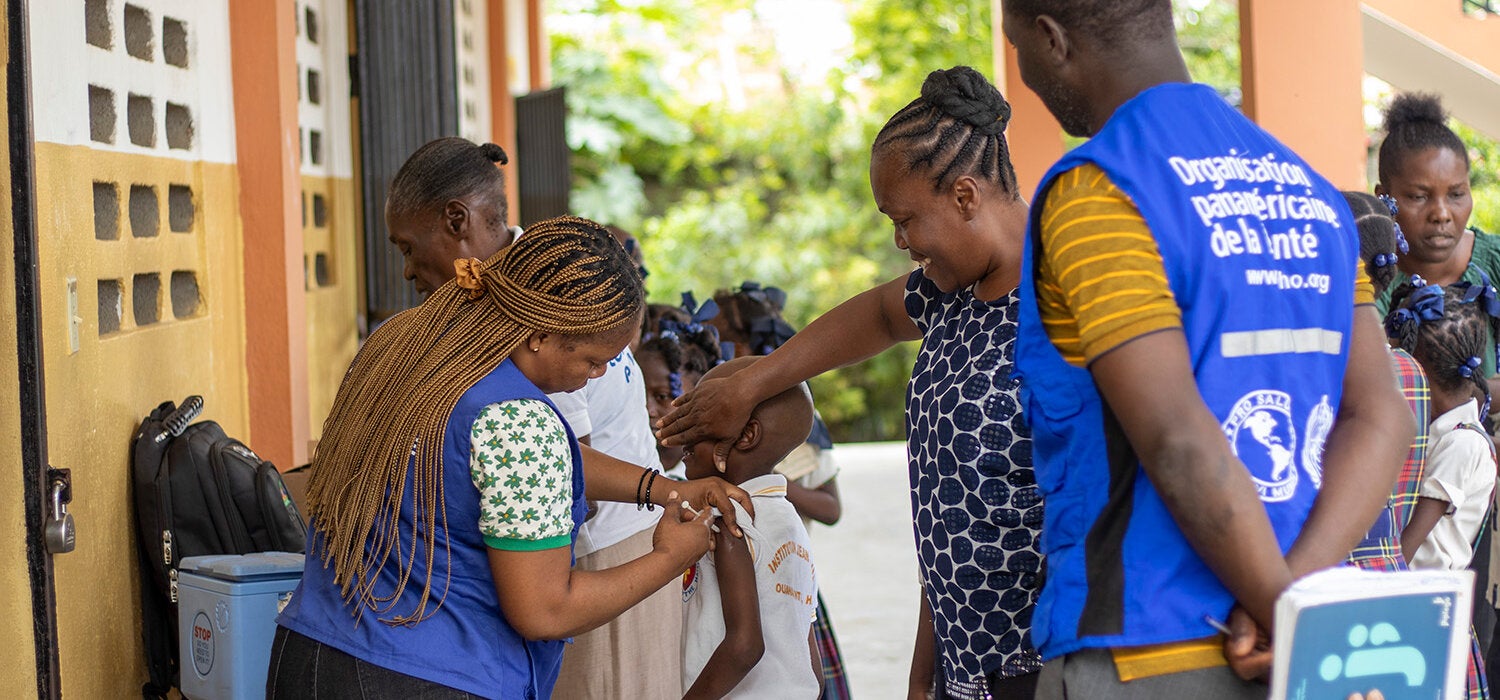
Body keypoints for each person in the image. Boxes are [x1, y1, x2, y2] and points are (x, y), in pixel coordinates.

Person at [999, 1, 1413, 697]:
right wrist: (1290, 605)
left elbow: (1179, 439)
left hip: (1148, 645)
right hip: (1292, 645)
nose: (1029, 75)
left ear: (1052, 39)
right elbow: (1382, 417)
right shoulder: (1308, 192)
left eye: (1020, 51)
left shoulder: (1101, 189)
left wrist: (1278, 610)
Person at [660, 66, 1044, 699]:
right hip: (962, 658)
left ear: (967, 196)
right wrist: (751, 382)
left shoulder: (1063, 298)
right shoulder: (951, 292)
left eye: (907, 220)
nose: (899, 242)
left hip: (1039, 661)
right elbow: (952, 505)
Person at [269, 217, 717, 699]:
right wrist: (671, 557)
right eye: (592, 359)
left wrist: (664, 488)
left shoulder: (401, 342)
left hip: (312, 652)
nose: (600, 372)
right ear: (539, 335)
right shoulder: (520, 420)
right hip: (433, 677)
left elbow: (533, 464)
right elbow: (544, 611)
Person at [373, 137, 751, 698]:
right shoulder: (542, 290)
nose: (407, 271)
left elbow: (557, 496)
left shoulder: (541, 325)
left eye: (408, 247)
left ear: (456, 219)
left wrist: (667, 506)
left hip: (599, 556)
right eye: (595, 363)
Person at [680, 357, 823, 699]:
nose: (682, 433)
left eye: (698, 418)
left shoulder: (730, 520)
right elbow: (809, 653)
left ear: (745, 435)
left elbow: (744, 646)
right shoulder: (790, 521)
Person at [1373, 93, 1500, 398]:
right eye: (1419, 196)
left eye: (1456, 194)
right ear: (1383, 198)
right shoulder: (1365, 277)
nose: (1441, 214)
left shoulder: (1494, 262)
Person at [1390, 280, 1498, 570]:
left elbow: (1406, 548)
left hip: (1422, 597)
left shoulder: (1461, 443)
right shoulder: (1435, 429)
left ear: (1417, 366)